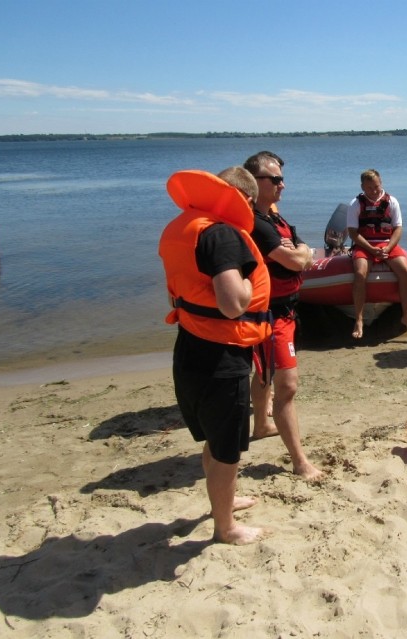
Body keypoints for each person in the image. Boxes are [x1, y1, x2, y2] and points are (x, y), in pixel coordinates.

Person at [158, 166, 271, 545]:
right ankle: (226, 528)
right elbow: (233, 304)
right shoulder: (221, 233)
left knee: (214, 438)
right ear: (247, 201)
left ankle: (224, 501)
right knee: (226, 451)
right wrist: (245, 279)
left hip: (190, 347)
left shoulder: (184, 225)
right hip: (221, 357)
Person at [243, 151, 324, 481]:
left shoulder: (274, 218)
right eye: (274, 180)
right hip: (269, 315)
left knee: (266, 371)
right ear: (253, 182)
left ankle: (261, 424)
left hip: (285, 310)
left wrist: (300, 254)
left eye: (282, 179)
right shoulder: (255, 223)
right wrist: (299, 256)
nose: (282, 185)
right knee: (287, 387)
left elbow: (306, 250)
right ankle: (300, 462)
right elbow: (295, 260)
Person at [346, 169, 407, 338]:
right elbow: (353, 233)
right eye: (370, 188)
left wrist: (388, 248)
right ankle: (359, 319)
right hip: (365, 244)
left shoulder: (392, 201)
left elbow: (398, 229)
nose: (374, 191)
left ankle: (406, 316)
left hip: (386, 243)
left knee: (405, 271)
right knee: (360, 273)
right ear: (363, 187)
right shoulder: (355, 204)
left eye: (376, 186)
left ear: (381, 183)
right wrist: (371, 249)